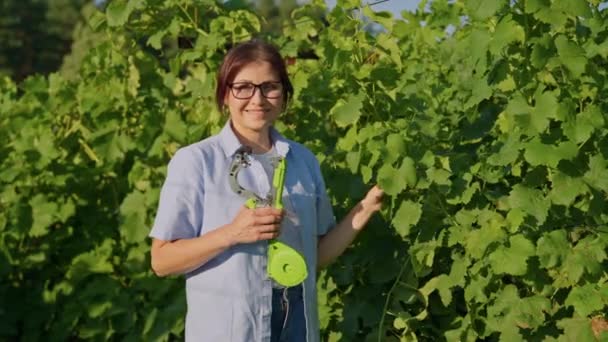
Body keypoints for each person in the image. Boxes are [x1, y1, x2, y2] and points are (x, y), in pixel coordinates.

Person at [149, 39, 384, 342]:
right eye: (243, 87)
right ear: (225, 95)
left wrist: (366, 207)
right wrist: (232, 233)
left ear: (284, 96)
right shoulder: (196, 161)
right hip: (230, 332)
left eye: (269, 87)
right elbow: (162, 261)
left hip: (297, 325)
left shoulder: (303, 161)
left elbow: (316, 256)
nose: (257, 99)